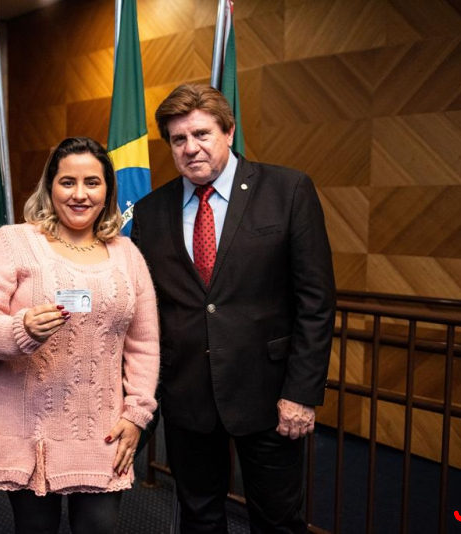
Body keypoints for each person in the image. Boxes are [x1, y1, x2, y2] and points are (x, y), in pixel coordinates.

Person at [131, 84, 336, 533]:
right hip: (187, 397)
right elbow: (148, 308)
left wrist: (302, 393)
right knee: (199, 517)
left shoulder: (287, 190)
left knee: (278, 521)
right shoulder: (150, 211)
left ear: (228, 131)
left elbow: (316, 301)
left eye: (201, 134)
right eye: (178, 139)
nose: (190, 148)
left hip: (271, 397)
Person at [0, 137, 159, 534]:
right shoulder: (14, 242)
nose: (79, 194)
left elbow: (144, 344)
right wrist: (21, 329)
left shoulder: (127, 254)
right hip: (29, 428)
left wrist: (137, 414)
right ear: (50, 187)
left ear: (108, 191)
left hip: (102, 430)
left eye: (92, 182)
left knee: (99, 528)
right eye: (68, 182)